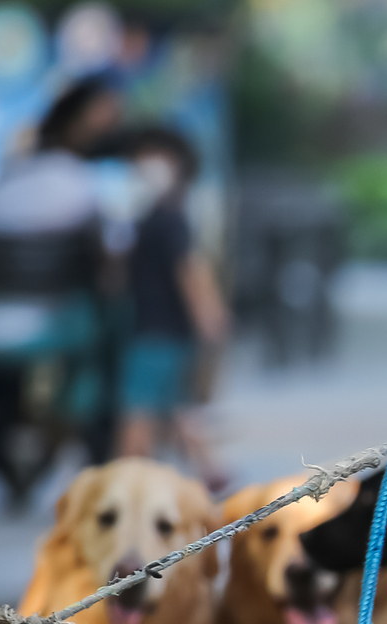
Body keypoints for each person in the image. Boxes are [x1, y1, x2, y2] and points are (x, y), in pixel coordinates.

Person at [116, 125, 230, 491]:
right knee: (177, 408)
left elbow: (190, 271)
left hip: (156, 332)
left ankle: (130, 486)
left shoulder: (166, 217)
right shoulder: (151, 215)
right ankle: (209, 470)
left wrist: (209, 317)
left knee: (139, 413)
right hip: (163, 330)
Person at [0, 74, 123, 231]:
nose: (114, 128)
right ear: (71, 121)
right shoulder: (79, 185)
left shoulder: (13, 179)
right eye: (108, 119)